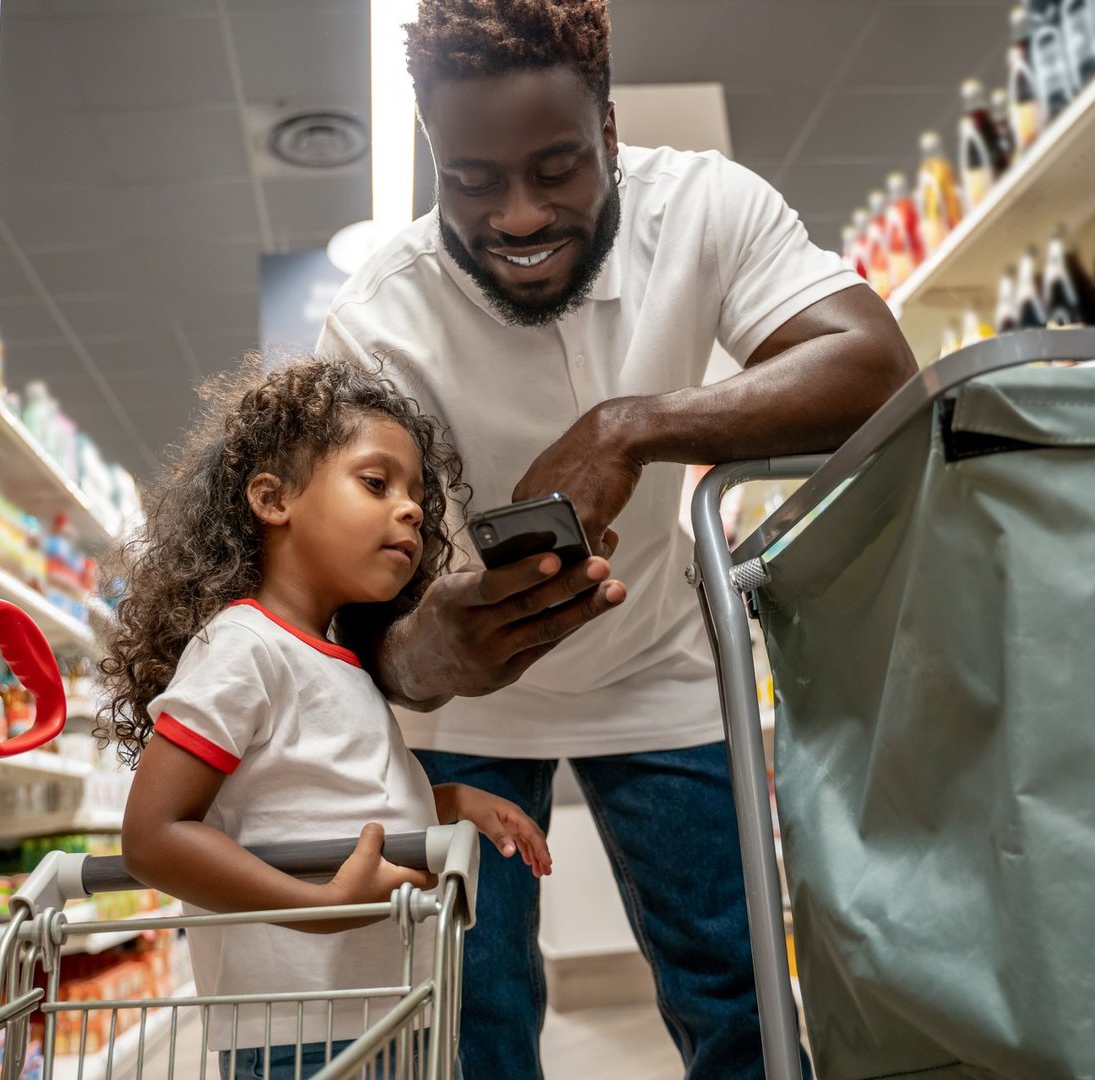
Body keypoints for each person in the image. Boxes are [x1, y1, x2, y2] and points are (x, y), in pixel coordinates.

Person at [315, 1, 918, 1076]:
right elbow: (337, 588)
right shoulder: (377, 321)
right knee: (471, 1017)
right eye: (472, 180)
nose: (517, 215)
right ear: (431, 157)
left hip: (662, 665)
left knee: (736, 990)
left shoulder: (702, 206)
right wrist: (417, 657)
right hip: (467, 704)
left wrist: (631, 428)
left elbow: (874, 367)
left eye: (556, 168)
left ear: (608, 127)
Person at [98, 359, 553, 1078]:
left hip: (393, 1009)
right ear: (273, 500)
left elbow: (325, 805)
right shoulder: (244, 646)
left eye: (415, 496)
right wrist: (317, 905)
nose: (408, 509)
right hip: (297, 1033)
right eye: (377, 483)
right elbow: (152, 837)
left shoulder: (338, 660)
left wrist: (449, 802)